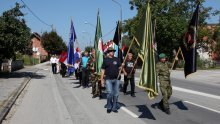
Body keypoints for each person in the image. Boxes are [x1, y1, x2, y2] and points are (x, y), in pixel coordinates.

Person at [101, 47, 121, 113]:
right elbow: (103, 70)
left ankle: (114, 107)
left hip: (117, 79)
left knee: (116, 94)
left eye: (113, 51)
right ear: (108, 52)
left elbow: (120, 68)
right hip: (108, 79)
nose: (112, 52)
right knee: (109, 93)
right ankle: (109, 106)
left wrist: (122, 67)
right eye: (111, 51)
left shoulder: (117, 59)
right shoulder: (105, 60)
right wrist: (102, 80)